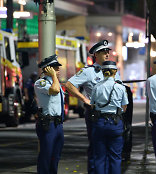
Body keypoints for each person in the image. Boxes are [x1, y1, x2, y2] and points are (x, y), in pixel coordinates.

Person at [65, 40, 120, 173]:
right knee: (97, 150)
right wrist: (84, 99)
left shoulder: (113, 70)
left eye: (108, 51)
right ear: (96, 54)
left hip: (113, 115)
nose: (107, 54)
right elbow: (69, 85)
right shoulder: (88, 71)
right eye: (103, 52)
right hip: (96, 115)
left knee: (111, 152)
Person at [90, 61, 128, 174]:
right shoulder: (120, 87)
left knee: (99, 157)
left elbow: (92, 105)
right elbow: (124, 107)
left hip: (99, 123)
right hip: (115, 123)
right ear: (115, 71)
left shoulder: (96, 87)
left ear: (103, 72)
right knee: (115, 157)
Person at [34, 54, 65, 174]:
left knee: (55, 157)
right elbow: (55, 90)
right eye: (55, 68)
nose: (58, 70)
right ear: (48, 69)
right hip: (48, 124)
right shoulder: (41, 83)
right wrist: (53, 76)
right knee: (46, 156)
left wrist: (54, 78)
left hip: (57, 124)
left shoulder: (55, 83)